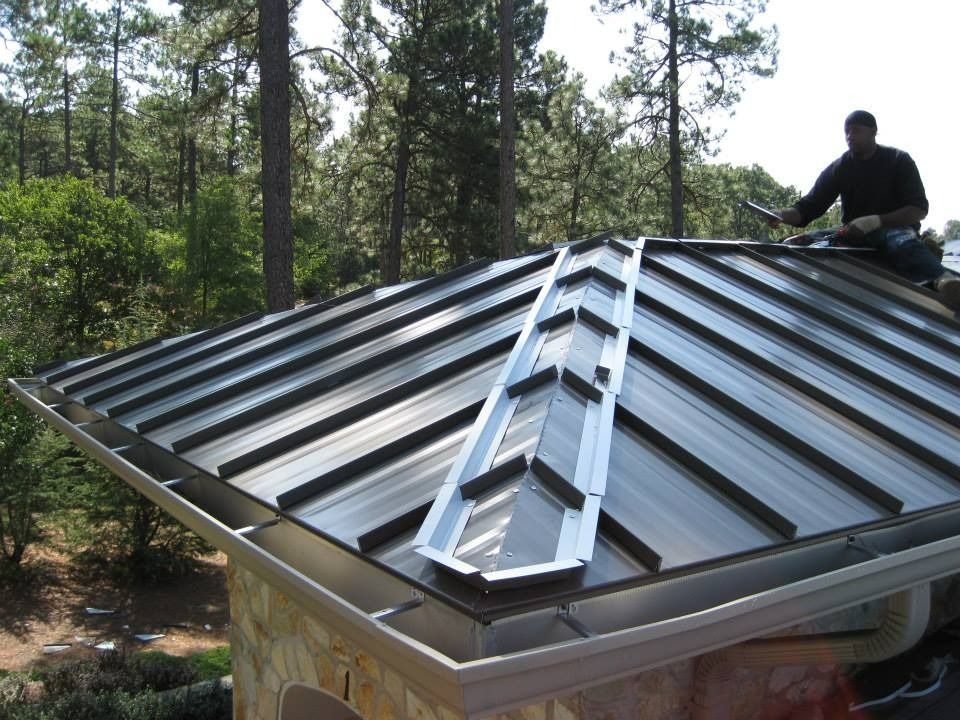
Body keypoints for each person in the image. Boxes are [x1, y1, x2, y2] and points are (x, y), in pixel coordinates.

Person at [769, 110, 960, 311]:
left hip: (893, 230)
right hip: (852, 233)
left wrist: (876, 221)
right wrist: (781, 215)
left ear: (873, 132)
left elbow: (918, 209)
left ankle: (945, 282)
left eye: (856, 130)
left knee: (902, 243)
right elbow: (808, 207)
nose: (850, 136)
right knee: (798, 243)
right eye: (847, 132)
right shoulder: (841, 167)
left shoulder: (898, 160)